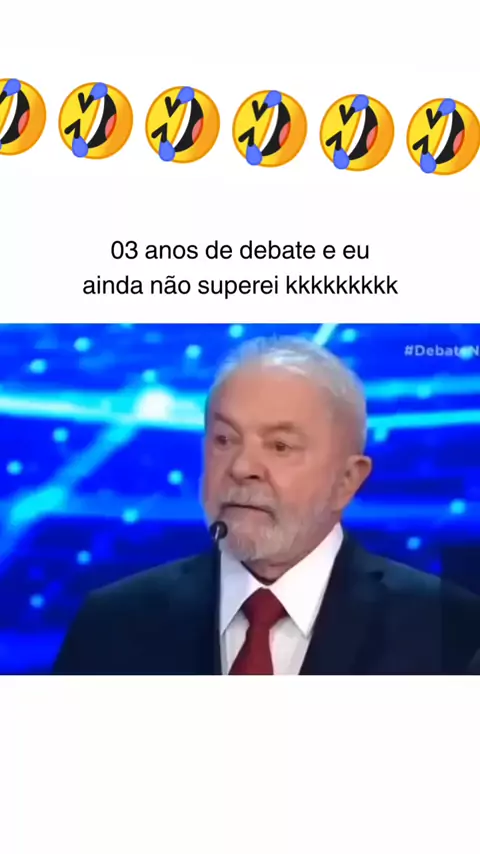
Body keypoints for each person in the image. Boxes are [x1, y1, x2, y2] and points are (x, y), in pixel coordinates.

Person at [53, 336, 480, 675]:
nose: (241, 468)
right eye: (224, 440)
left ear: (347, 480)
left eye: (279, 446)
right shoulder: (110, 624)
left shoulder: (451, 630)